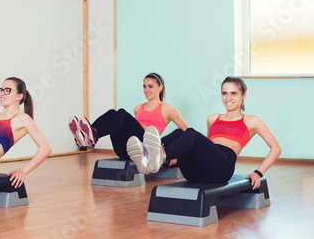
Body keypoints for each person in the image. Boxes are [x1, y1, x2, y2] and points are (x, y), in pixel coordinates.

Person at [127, 76, 281, 188]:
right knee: (180, 133)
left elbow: (276, 148)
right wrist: (179, 152)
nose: (228, 98)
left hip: (221, 170)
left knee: (190, 132)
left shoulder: (251, 120)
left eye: (234, 93)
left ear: (243, 95)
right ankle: (150, 155)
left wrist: (258, 173)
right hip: (195, 173)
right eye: (224, 93)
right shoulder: (212, 118)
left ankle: (161, 156)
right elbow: (205, 148)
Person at [68, 72, 188, 159]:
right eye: (144, 86)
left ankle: (94, 135)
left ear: (160, 87)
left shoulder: (168, 109)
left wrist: (175, 154)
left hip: (145, 148)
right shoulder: (138, 108)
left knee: (121, 113)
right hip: (124, 149)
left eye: (150, 86)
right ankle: (88, 136)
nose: (146, 90)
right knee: (112, 113)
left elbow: (187, 132)